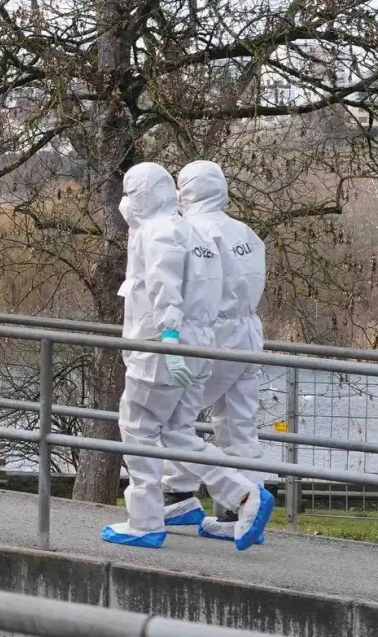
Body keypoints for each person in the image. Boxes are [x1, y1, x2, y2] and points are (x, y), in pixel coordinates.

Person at [102, 162, 273, 550]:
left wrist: (169, 338)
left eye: (130, 195)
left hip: (167, 346)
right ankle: (244, 495)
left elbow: (164, 292)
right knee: (191, 429)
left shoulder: (165, 232)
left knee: (140, 429)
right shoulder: (206, 233)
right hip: (215, 339)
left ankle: (146, 519)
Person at [159, 160, 269, 541]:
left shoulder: (188, 231)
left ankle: (179, 496)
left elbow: (187, 290)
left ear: (185, 190)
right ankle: (241, 511)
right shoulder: (246, 233)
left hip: (210, 334)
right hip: (248, 335)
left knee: (174, 418)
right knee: (238, 424)